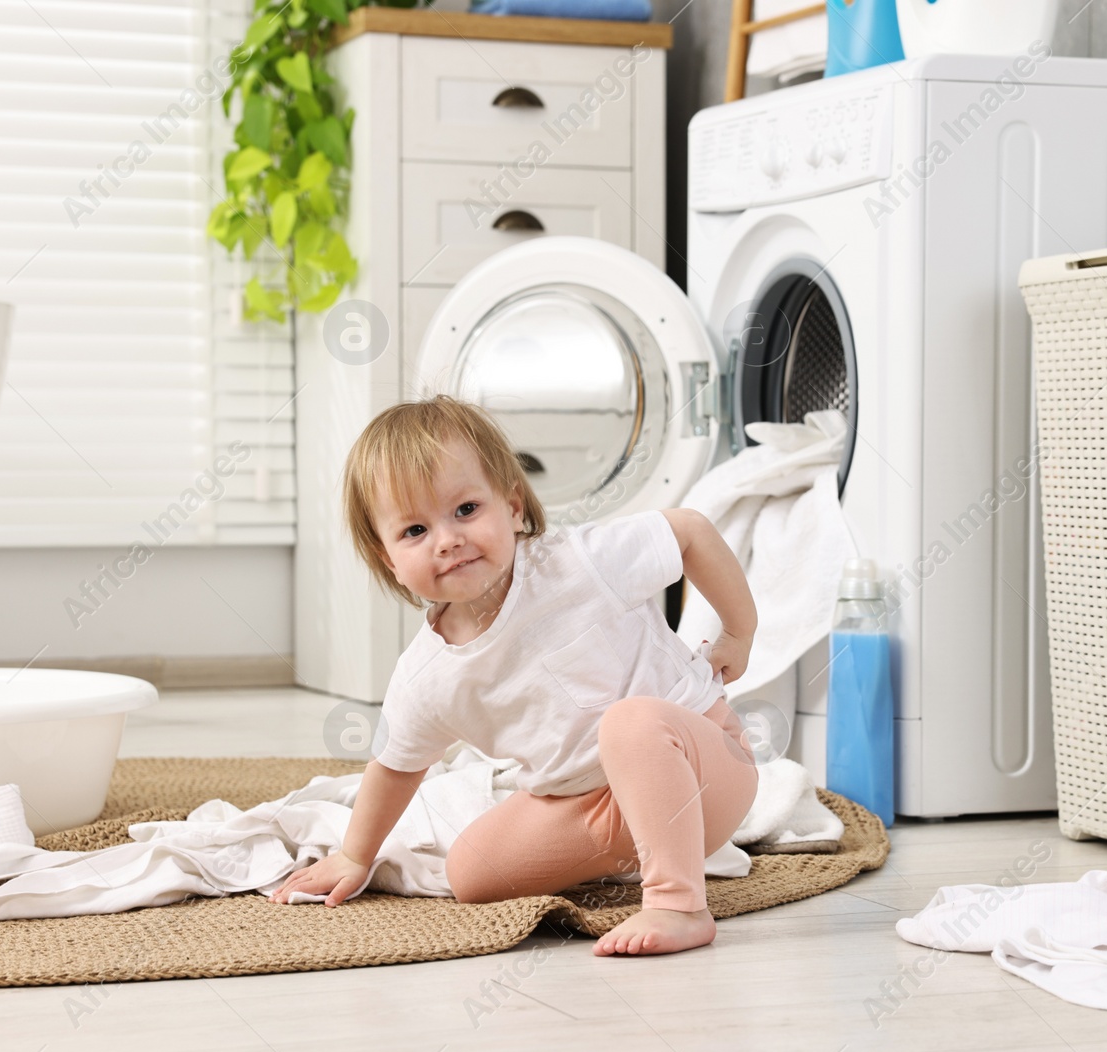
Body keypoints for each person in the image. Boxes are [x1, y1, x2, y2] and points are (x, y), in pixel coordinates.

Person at [272, 395, 759, 956]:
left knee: (630, 724)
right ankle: (642, 854)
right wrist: (356, 856)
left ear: (513, 508)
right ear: (389, 560)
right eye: (413, 530)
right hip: (589, 804)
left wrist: (737, 634)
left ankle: (677, 904)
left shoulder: (578, 562)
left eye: (465, 510)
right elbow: (395, 766)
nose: (447, 539)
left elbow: (690, 531)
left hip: (704, 771)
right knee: (471, 875)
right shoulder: (427, 674)